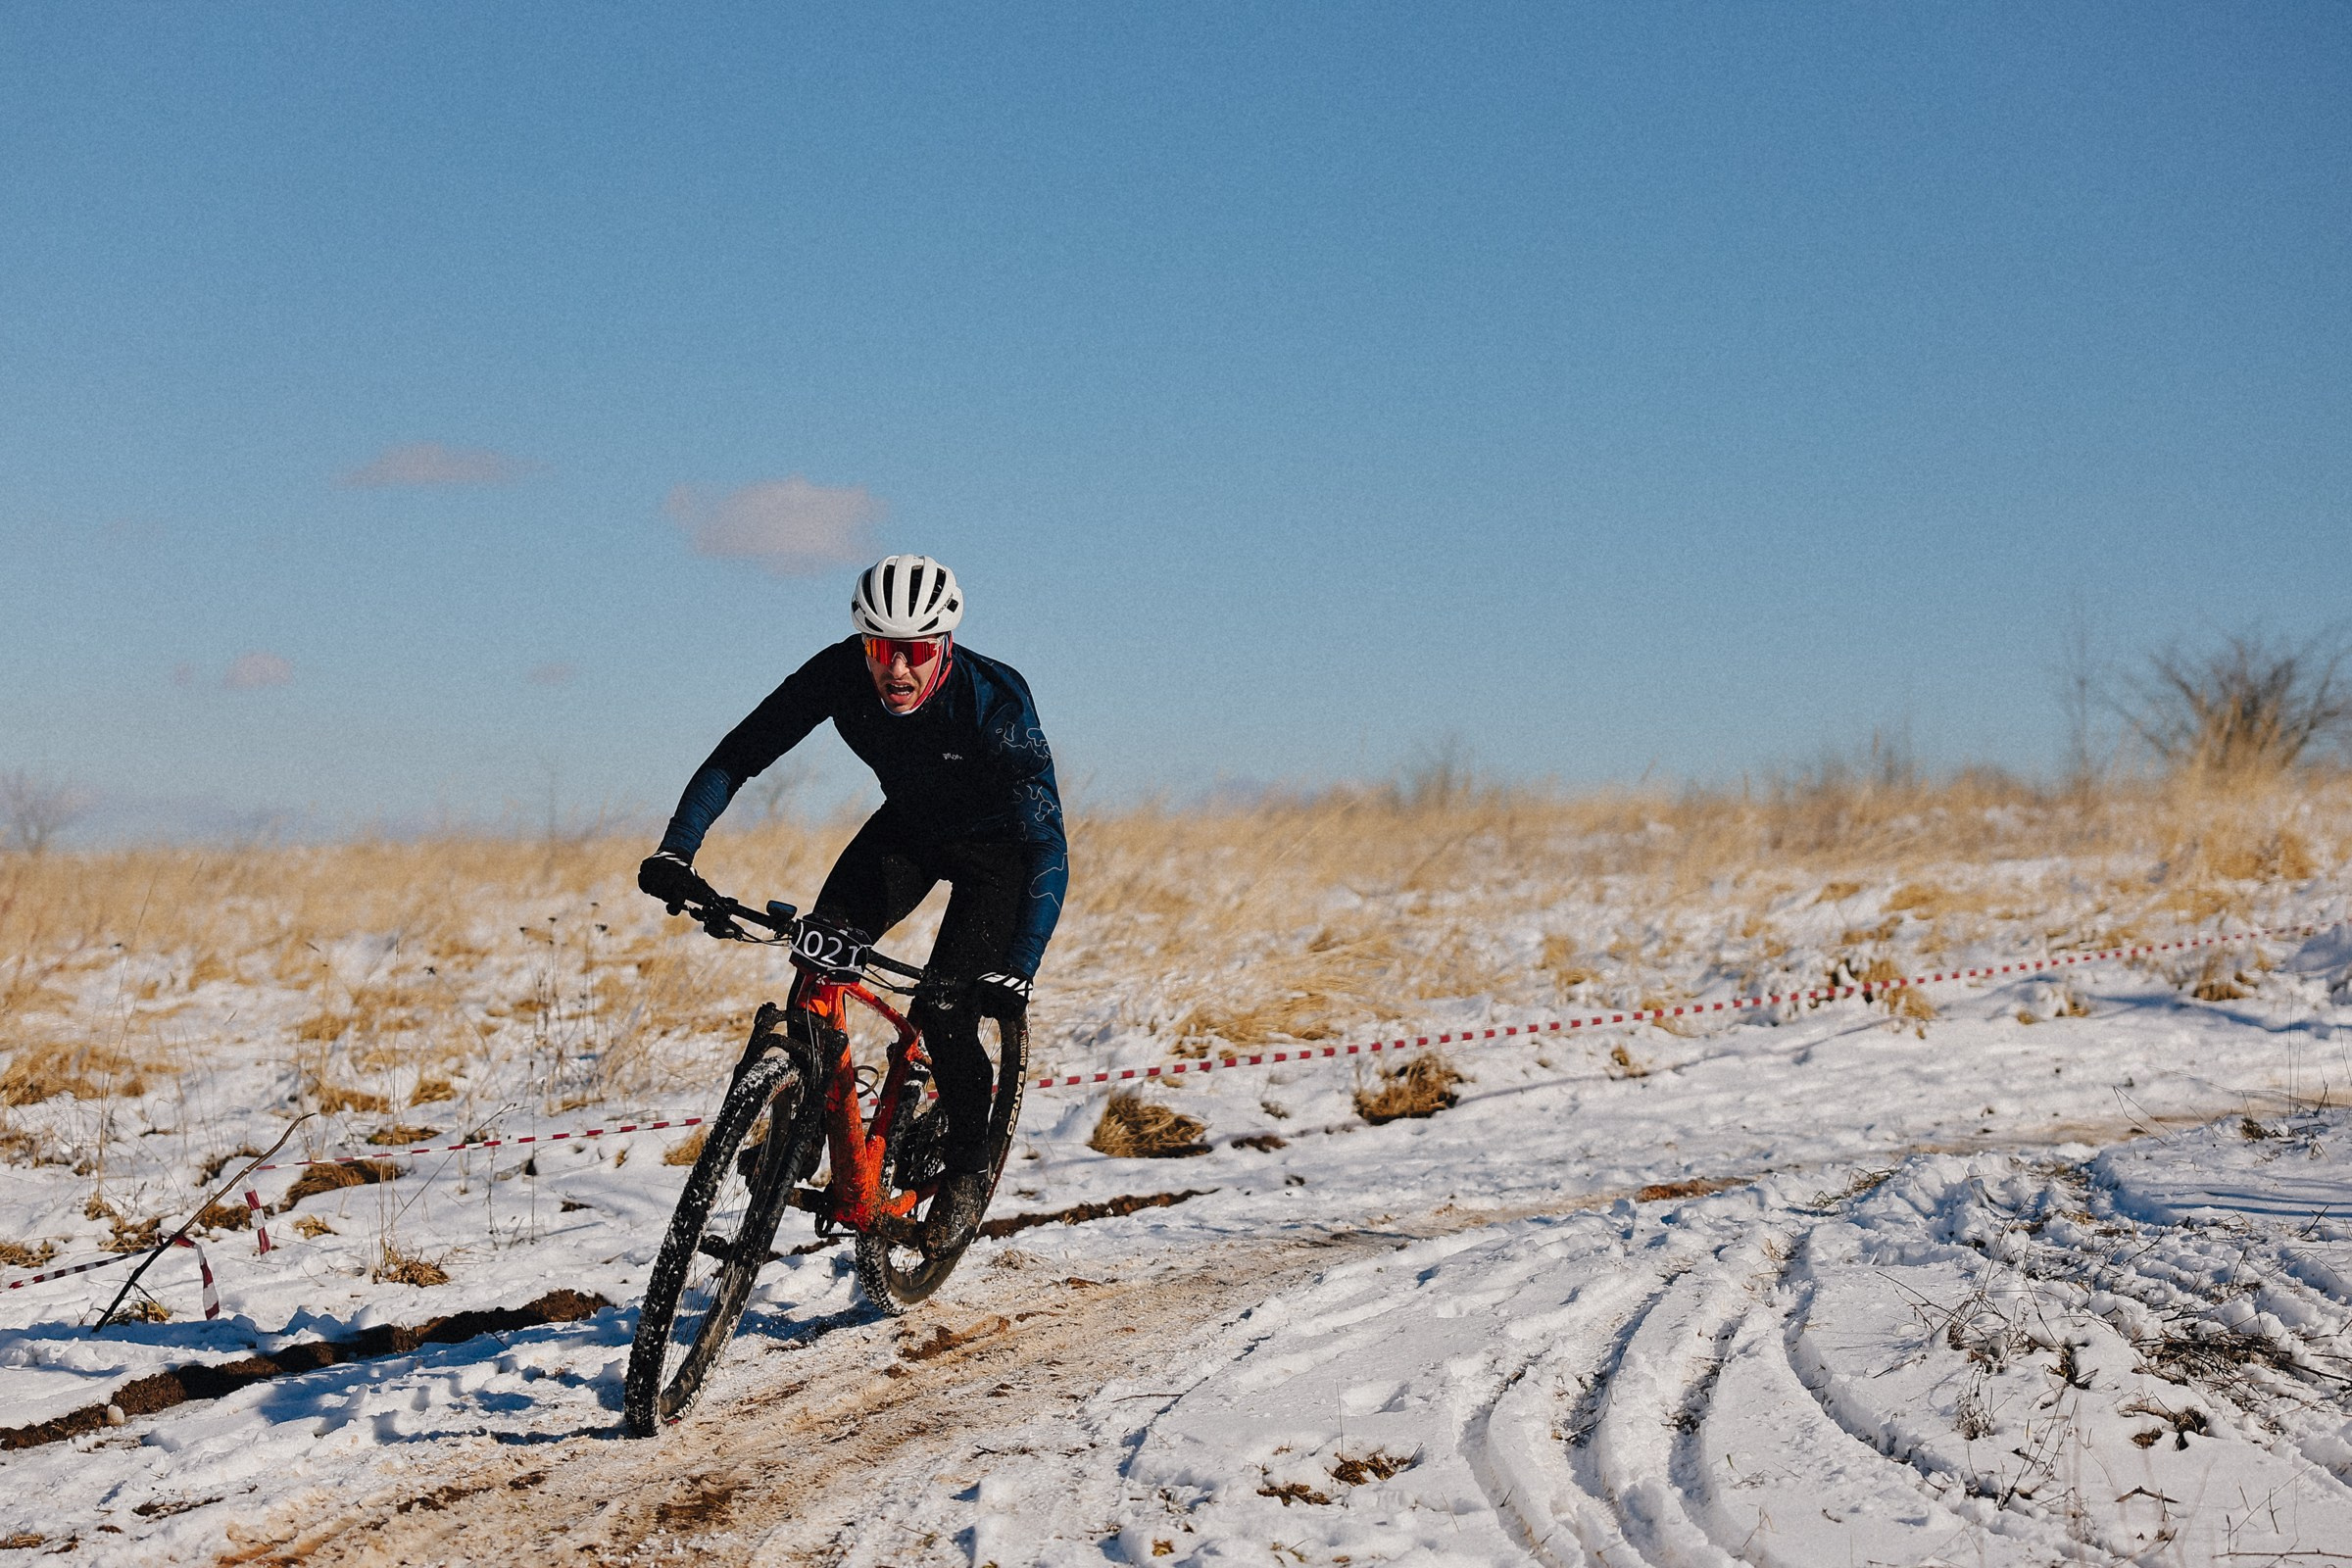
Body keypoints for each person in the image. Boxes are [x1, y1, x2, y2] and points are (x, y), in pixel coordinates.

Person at [637, 555, 1066, 1253]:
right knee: (818, 956)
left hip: (1001, 857)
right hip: (910, 831)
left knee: (948, 1011)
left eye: (916, 652)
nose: (896, 670)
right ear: (861, 641)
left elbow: (1047, 838)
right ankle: (801, 1127)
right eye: (880, 649)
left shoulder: (996, 699)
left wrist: (1022, 963)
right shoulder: (837, 673)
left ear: (944, 645)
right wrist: (675, 851)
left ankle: (965, 1170)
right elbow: (738, 755)